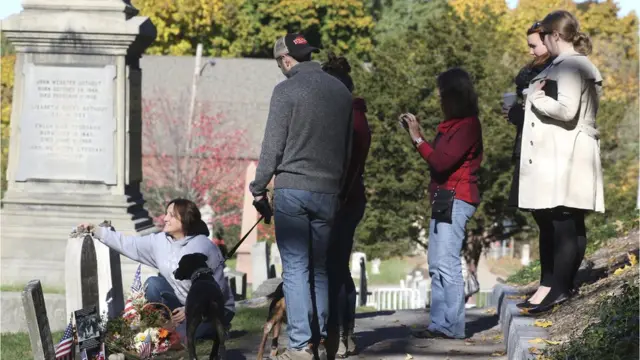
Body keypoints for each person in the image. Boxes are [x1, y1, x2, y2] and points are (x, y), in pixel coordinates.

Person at [249, 34, 354, 360]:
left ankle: (299, 345)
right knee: (320, 268)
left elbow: (272, 146)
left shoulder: (286, 91)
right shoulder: (341, 92)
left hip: (293, 188)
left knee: (295, 269)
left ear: (286, 60)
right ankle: (320, 341)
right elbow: (347, 149)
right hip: (328, 191)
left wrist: (258, 187)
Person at [518, 10, 604, 314]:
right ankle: (557, 287)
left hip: (569, 154)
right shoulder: (568, 64)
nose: (540, 44)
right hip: (565, 153)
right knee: (562, 220)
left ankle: (559, 289)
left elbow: (567, 111)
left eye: (544, 38)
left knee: (565, 221)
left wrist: (536, 98)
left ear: (555, 36)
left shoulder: (572, 65)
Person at [400, 67, 483, 339]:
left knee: (446, 263)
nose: (439, 101)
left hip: (458, 198)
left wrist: (417, 138)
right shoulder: (452, 126)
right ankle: (439, 323)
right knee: (436, 264)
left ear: (454, 96)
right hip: (445, 199)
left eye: (442, 95)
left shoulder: (468, 126)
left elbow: (440, 161)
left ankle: (453, 325)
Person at [78, 198, 235, 341]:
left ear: (185, 219)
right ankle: (168, 323)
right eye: (166, 214)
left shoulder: (204, 246)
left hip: (210, 309)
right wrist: (97, 231)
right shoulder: (159, 241)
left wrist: (190, 308)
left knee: (175, 338)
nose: (165, 218)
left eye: (171, 215)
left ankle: (216, 329)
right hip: (182, 304)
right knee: (153, 284)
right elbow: (128, 244)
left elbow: (217, 290)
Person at [501, 21, 555, 310]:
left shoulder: (560, 70)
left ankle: (554, 285)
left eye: (535, 44)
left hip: (546, 151)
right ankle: (547, 283)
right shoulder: (530, 73)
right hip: (528, 148)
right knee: (541, 219)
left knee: (554, 220)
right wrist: (515, 114)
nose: (531, 51)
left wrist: (521, 114)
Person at [322, 53, 371, 359]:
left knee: (335, 268)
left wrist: (338, 194)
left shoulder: (351, 119)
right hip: (340, 198)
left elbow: (349, 164)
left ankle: (340, 333)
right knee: (337, 267)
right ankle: (344, 332)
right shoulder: (346, 115)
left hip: (343, 199)